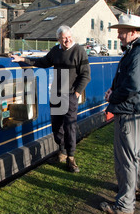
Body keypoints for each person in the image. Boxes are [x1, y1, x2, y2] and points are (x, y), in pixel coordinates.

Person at [101, 14, 140, 214]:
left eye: (121, 31)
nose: (118, 35)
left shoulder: (138, 53)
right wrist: (114, 91)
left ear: (134, 32)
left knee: (126, 157)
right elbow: (129, 81)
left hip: (129, 110)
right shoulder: (139, 50)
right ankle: (138, 188)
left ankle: (125, 204)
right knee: (135, 153)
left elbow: (132, 85)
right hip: (134, 108)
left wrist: (113, 97)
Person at [11, 25, 90, 172]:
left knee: (70, 127)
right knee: (56, 126)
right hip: (56, 95)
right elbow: (41, 62)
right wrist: (21, 58)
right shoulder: (55, 51)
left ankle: (71, 159)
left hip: (70, 96)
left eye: (68, 37)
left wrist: (76, 94)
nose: (67, 40)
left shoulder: (79, 51)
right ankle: (62, 152)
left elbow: (86, 75)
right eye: (63, 38)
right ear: (58, 39)